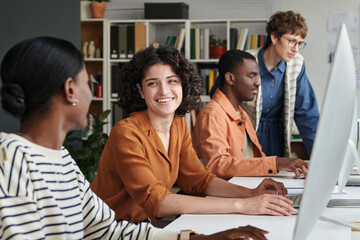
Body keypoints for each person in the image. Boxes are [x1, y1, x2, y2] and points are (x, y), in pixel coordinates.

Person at [0, 37, 269, 240]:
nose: (91, 93)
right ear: (71, 90)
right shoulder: (11, 158)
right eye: (87, 82)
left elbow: (108, 230)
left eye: (172, 81)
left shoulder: (63, 160)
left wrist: (196, 238)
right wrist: (242, 205)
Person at [91, 46, 296, 225]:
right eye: (153, 83)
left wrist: (252, 194)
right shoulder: (126, 133)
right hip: (107, 228)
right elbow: (159, 201)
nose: (164, 91)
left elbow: (198, 180)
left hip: (141, 225)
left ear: (183, 85)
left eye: (172, 81)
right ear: (141, 91)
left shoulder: (178, 123)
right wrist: (243, 205)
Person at [210, 11, 319, 158]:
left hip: (277, 138)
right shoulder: (245, 61)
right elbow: (218, 98)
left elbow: (307, 115)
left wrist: (320, 158)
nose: (296, 49)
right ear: (274, 37)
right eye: (291, 41)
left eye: (300, 43)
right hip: (245, 136)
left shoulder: (297, 64)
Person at [192, 50, 308, 180]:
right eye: (251, 76)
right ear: (230, 78)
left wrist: (284, 167)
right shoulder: (212, 115)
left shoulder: (242, 114)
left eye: (258, 76)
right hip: (222, 196)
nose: (258, 83)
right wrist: (276, 162)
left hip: (242, 189)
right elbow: (218, 165)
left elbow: (254, 161)